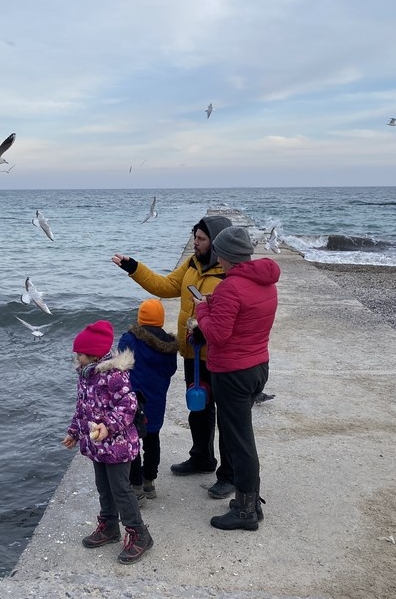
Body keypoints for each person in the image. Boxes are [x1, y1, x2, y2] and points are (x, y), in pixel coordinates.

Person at [112, 215, 240, 500]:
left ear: (217, 242)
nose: (195, 243)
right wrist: (134, 268)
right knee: (199, 408)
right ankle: (202, 458)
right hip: (194, 353)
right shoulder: (192, 265)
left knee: (227, 418)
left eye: (201, 239)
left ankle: (229, 475)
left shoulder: (230, 274)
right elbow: (165, 286)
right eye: (195, 237)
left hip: (220, 356)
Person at [192, 226, 280, 531]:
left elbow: (217, 334)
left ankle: (246, 511)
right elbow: (245, 316)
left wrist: (202, 310)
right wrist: (215, 304)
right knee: (242, 437)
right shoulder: (264, 282)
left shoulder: (231, 287)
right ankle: (250, 500)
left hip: (232, 373)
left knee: (239, 441)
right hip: (258, 367)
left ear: (225, 255)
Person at [62, 320, 154, 564]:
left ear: (93, 355)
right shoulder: (85, 376)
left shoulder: (114, 376)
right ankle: (109, 526)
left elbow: (128, 406)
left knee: (121, 490)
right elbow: (82, 408)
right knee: (103, 487)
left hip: (118, 444)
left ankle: (140, 534)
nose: (77, 357)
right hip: (97, 446)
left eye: (80, 354)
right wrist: (74, 431)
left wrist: (108, 426)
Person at [117, 298, 178, 501]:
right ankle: (149, 482)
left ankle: (135, 487)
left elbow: (121, 365)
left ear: (140, 318)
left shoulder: (129, 339)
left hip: (134, 399)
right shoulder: (169, 345)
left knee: (132, 441)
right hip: (157, 399)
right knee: (153, 439)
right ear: (161, 319)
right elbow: (171, 370)